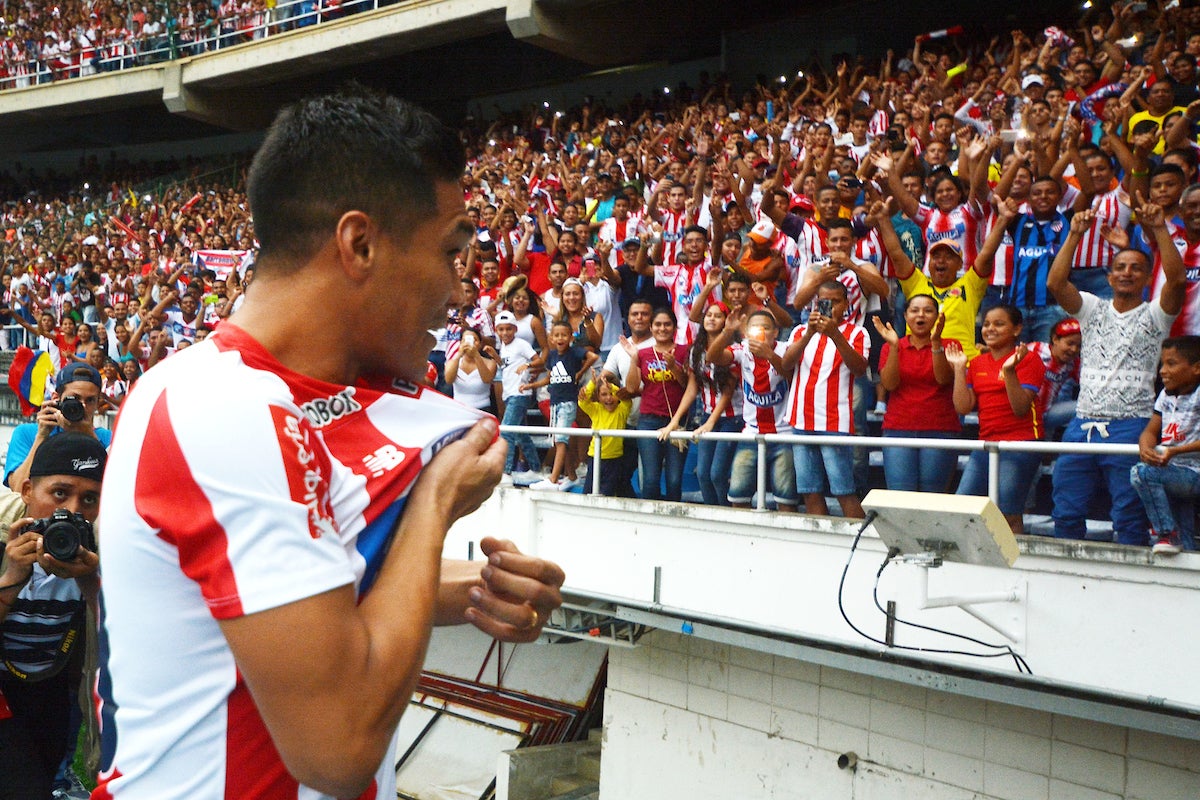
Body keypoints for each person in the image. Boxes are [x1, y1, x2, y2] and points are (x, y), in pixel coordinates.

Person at [92, 89, 564, 800]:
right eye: (448, 252)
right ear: (360, 244)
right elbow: (338, 749)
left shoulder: (265, 396)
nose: (458, 291)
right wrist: (434, 506)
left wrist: (473, 591)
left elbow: (296, 600)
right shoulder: (224, 410)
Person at [1047, 202, 1185, 546]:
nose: (1126, 272)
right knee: (1065, 512)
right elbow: (1055, 281)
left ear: (1148, 277)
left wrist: (1158, 229)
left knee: (1129, 518)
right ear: (1109, 276)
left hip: (1130, 426)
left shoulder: (1156, 316)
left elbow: (1179, 279)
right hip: (1082, 425)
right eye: (1120, 267)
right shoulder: (1093, 308)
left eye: (1136, 268)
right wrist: (1075, 233)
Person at [0, 433, 105, 800]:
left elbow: (124, 640)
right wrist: (12, 578)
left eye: (89, 499)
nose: (72, 512)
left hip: (51, 693)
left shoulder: (101, 552)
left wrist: (90, 580)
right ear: (27, 490)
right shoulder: (3, 539)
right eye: (59, 493)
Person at [946, 305, 1046, 535]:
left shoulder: (1029, 360)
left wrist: (1009, 372)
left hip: (1020, 444)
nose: (990, 329)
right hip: (987, 444)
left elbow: (1020, 408)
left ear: (1017, 329)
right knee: (963, 506)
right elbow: (963, 406)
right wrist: (960, 370)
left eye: (999, 324)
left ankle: (1015, 568)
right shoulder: (978, 363)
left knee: (1008, 514)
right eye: (987, 324)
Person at [781, 281, 868, 518]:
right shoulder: (800, 331)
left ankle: (861, 542)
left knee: (844, 491)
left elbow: (859, 369)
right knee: (810, 492)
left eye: (836, 301)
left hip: (834, 423)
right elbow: (786, 364)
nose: (829, 306)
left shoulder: (858, 332)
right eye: (823, 302)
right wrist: (810, 333)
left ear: (847, 303)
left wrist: (835, 335)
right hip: (800, 421)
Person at [873, 296, 960, 492]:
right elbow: (889, 384)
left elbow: (943, 379)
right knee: (901, 497)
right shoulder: (890, 346)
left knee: (933, 498)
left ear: (937, 317)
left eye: (928, 310)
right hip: (898, 429)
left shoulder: (950, 345)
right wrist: (895, 348)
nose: (921, 315)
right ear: (905, 316)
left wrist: (936, 343)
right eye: (914, 310)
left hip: (940, 429)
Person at [1130, 335, 1200, 555]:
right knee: (1186, 539)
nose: (1162, 370)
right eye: (1162, 364)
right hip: (1173, 470)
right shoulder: (1165, 395)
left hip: (1194, 473)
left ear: (1197, 368)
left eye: (1171, 363)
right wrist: (1146, 447)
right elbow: (1151, 431)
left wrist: (1174, 451)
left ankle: (1165, 533)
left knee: (1142, 474)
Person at [620, 308, 693, 502]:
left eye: (667, 324)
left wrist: (673, 368)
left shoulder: (684, 351)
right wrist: (634, 358)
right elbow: (631, 387)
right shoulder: (643, 353)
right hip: (649, 419)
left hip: (678, 420)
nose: (662, 328)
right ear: (651, 328)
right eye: (658, 325)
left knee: (674, 480)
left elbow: (688, 385)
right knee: (650, 479)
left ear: (675, 327)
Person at [5, 363, 112, 492]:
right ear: (56, 398)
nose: (82, 407)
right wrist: (41, 436)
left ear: (97, 403)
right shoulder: (27, 433)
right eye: (75, 399)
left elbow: (116, 488)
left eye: (90, 400)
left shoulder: (107, 439)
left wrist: (89, 436)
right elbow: (18, 489)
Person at [520, 320, 598, 490]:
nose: (560, 338)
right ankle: (571, 476)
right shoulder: (553, 356)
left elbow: (593, 356)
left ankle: (553, 479)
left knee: (561, 440)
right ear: (551, 338)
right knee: (558, 441)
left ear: (570, 337)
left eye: (564, 335)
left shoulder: (574, 353)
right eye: (557, 335)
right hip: (554, 402)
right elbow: (549, 377)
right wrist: (531, 386)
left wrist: (580, 372)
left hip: (568, 402)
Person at [492, 310, 543, 479]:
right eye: (501, 329)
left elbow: (539, 360)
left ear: (515, 329)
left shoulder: (521, 344)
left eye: (508, 329)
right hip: (509, 394)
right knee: (521, 434)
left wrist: (528, 366)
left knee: (506, 431)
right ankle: (536, 470)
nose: (505, 333)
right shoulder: (503, 347)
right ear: (496, 330)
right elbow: (506, 366)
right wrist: (494, 356)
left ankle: (505, 472)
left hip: (520, 394)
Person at [576, 372, 632, 496]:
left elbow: (626, 399)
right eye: (604, 394)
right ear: (598, 396)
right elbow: (582, 402)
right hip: (595, 457)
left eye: (612, 394)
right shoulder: (595, 409)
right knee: (588, 493)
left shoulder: (622, 409)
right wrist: (592, 383)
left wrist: (614, 388)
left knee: (607, 494)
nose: (608, 398)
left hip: (614, 459)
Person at [445, 327, 496, 412]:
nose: (469, 343)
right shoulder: (451, 362)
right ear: (460, 343)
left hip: (482, 408)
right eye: (465, 340)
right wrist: (459, 355)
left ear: (480, 344)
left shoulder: (490, 363)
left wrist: (476, 355)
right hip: (459, 408)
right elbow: (449, 380)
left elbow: (487, 379)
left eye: (474, 340)